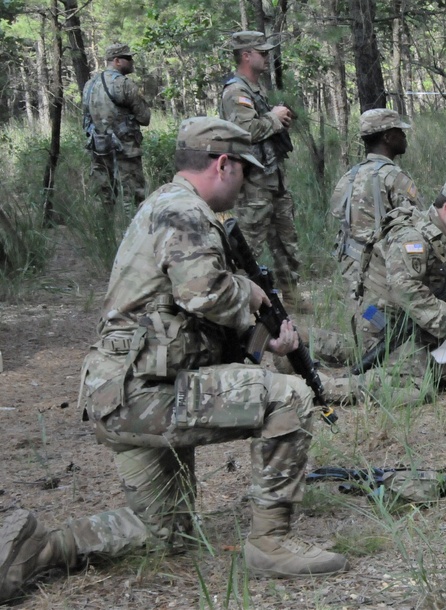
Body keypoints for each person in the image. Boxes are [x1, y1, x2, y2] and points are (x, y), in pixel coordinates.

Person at [0, 117, 348, 604]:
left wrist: (265, 341)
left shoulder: (162, 207)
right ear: (222, 164)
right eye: (243, 171)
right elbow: (205, 294)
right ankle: (271, 544)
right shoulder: (186, 213)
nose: (246, 184)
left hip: (127, 391)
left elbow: (188, 316)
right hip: (147, 393)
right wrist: (248, 292)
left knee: (164, 533)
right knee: (286, 397)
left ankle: (35, 553)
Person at [346, 176, 446, 406]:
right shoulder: (410, 237)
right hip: (386, 325)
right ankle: (332, 387)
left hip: (424, 321)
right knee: (418, 390)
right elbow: (406, 289)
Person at [220, 31, 310, 312]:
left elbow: (261, 127)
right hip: (254, 183)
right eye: (262, 52)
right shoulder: (236, 92)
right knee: (249, 246)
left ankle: (292, 297)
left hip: (273, 179)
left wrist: (276, 119)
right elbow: (244, 131)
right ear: (246, 55)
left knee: (286, 242)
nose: (267, 57)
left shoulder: (255, 90)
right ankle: (239, 304)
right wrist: (273, 118)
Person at [331, 107, 423, 298]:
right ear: (388, 137)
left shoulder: (349, 176)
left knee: (367, 318)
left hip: (352, 265)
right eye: (399, 131)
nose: (404, 136)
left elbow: (338, 213)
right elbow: (417, 225)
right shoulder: (395, 178)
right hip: (383, 267)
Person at [82, 42, 151, 212]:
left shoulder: (89, 85)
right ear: (117, 60)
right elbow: (145, 117)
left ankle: (104, 235)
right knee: (134, 196)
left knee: (104, 196)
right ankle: (134, 235)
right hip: (126, 149)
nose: (132, 61)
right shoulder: (125, 84)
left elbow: (86, 118)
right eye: (128, 58)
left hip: (99, 147)